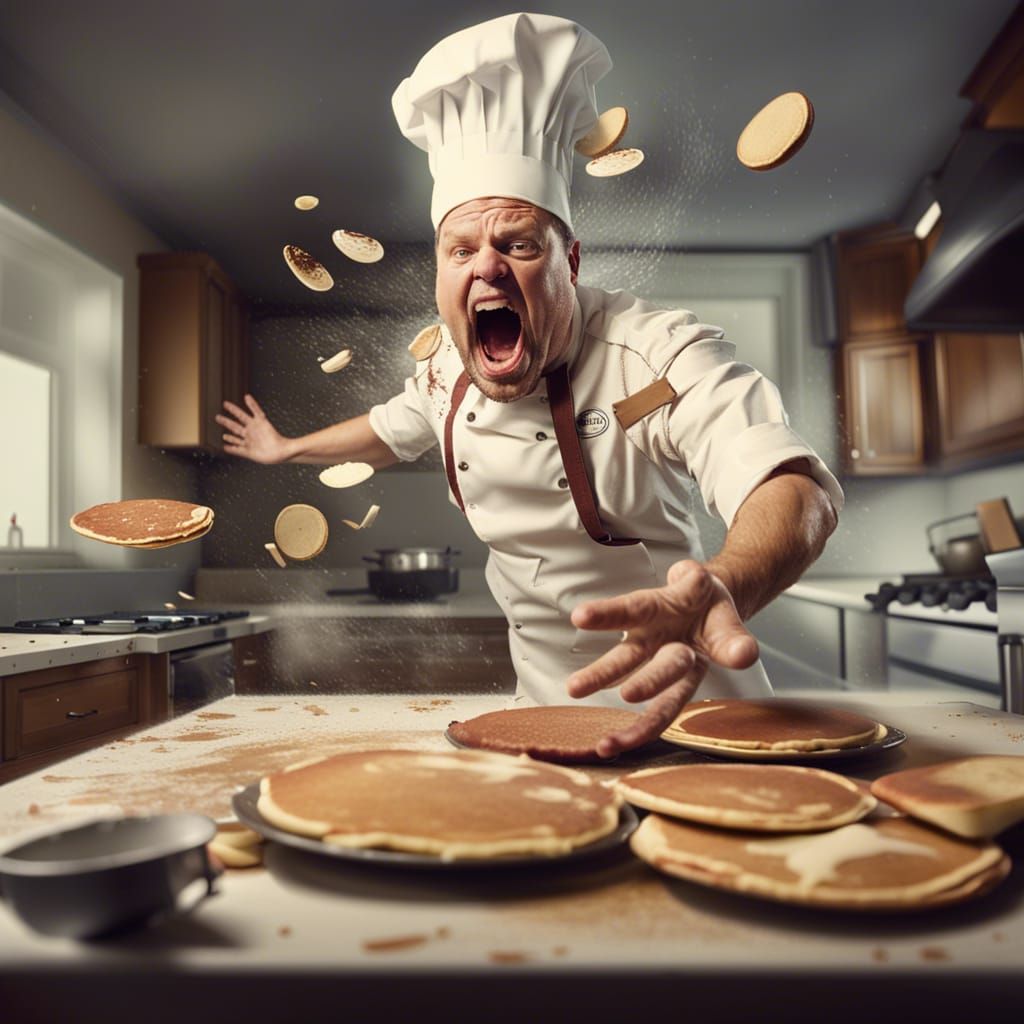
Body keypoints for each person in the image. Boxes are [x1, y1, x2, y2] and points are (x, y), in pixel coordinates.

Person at [216, 13, 842, 758]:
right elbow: (388, 431)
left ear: (568, 261)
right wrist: (285, 448)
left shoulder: (653, 358)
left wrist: (724, 585)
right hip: (542, 717)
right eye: (462, 249)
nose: (486, 268)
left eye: (517, 243)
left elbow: (794, 488)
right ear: (442, 268)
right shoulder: (448, 370)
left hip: (692, 710)